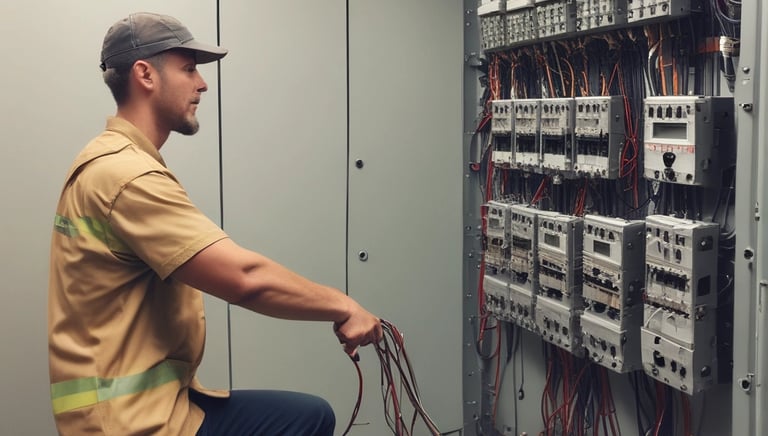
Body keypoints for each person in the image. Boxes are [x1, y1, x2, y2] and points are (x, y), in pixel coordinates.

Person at [48, 12, 382, 435]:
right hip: (131, 424)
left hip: (146, 407)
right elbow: (244, 279)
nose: (202, 84)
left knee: (309, 416)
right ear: (145, 74)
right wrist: (343, 304)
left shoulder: (107, 158)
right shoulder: (126, 176)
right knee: (306, 420)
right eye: (188, 69)